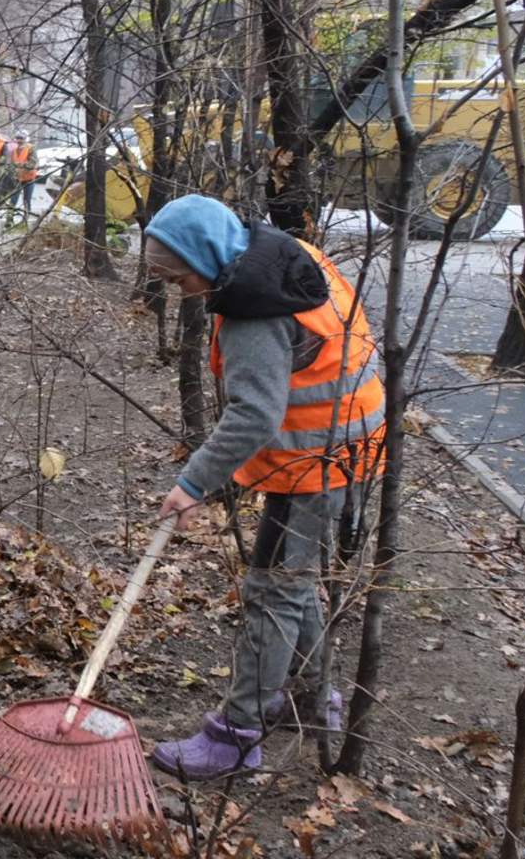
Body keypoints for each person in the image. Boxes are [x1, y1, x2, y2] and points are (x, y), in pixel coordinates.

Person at [140, 194, 385, 781]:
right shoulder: (283, 254)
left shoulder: (253, 313)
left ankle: (236, 735)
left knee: (270, 592)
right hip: (346, 444)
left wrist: (192, 483)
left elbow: (254, 414)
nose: (182, 292)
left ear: (207, 255)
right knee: (292, 581)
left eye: (179, 277)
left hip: (316, 462)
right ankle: (309, 694)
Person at [7, 130, 40, 219]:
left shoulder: (31, 148)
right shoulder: (14, 150)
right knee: (13, 200)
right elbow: (10, 164)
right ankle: (9, 220)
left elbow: (33, 163)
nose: (19, 140)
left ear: (26, 139)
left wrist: (22, 164)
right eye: (18, 138)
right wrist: (12, 171)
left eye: (21, 138)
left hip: (29, 179)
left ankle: (26, 220)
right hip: (17, 179)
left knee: (27, 200)